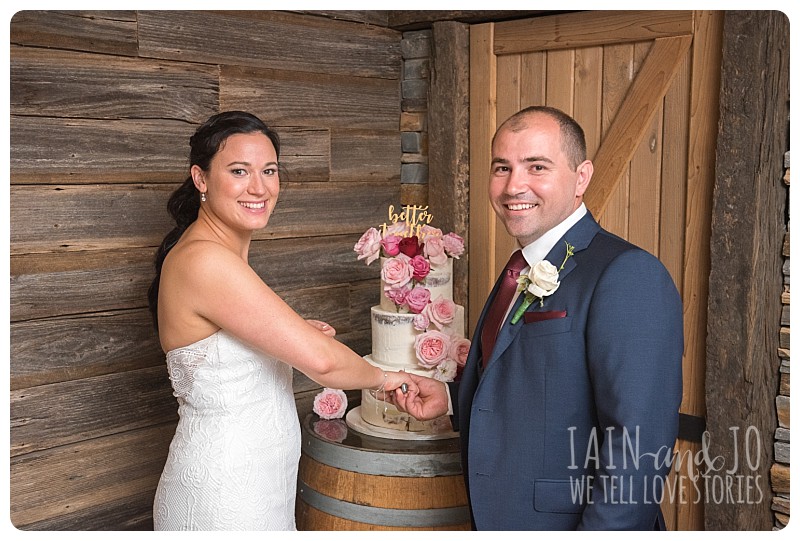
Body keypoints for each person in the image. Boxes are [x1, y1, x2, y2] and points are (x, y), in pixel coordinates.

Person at [391, 106, 683, 530]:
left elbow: (638, 448)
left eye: (537, 166)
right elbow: (539, 385)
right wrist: (454, 399)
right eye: (502, 168)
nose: (514, 186)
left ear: (581, 177)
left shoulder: (627, 274)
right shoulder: (518, 268)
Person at [147, 111, 414, 531]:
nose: (259, 187)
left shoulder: (218, 256)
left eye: (269, 171)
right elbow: (322, 363)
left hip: (259, 486)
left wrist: (289, 332)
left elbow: (223, 344)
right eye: (239, 171)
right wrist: (388, 379)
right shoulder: (205, 259)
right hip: (224, 496)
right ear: (200, 178)